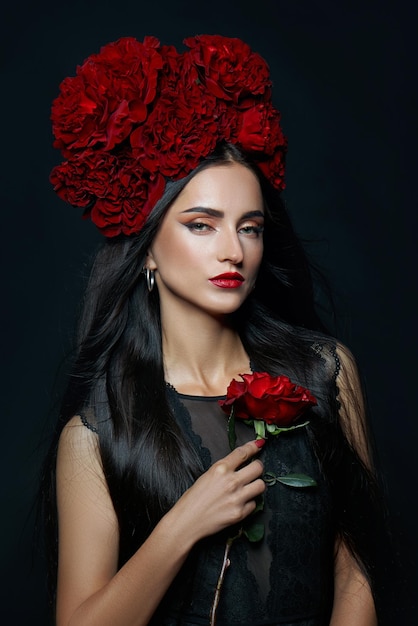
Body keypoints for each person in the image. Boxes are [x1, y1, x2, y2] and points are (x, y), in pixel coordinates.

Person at [41, 34, 386, 626]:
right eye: (202, 225)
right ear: (147, 248)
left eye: (249, 228)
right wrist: (182, 524)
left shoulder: (326, 372)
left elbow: (360, 566)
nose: (233, 251)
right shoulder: (100, 431)